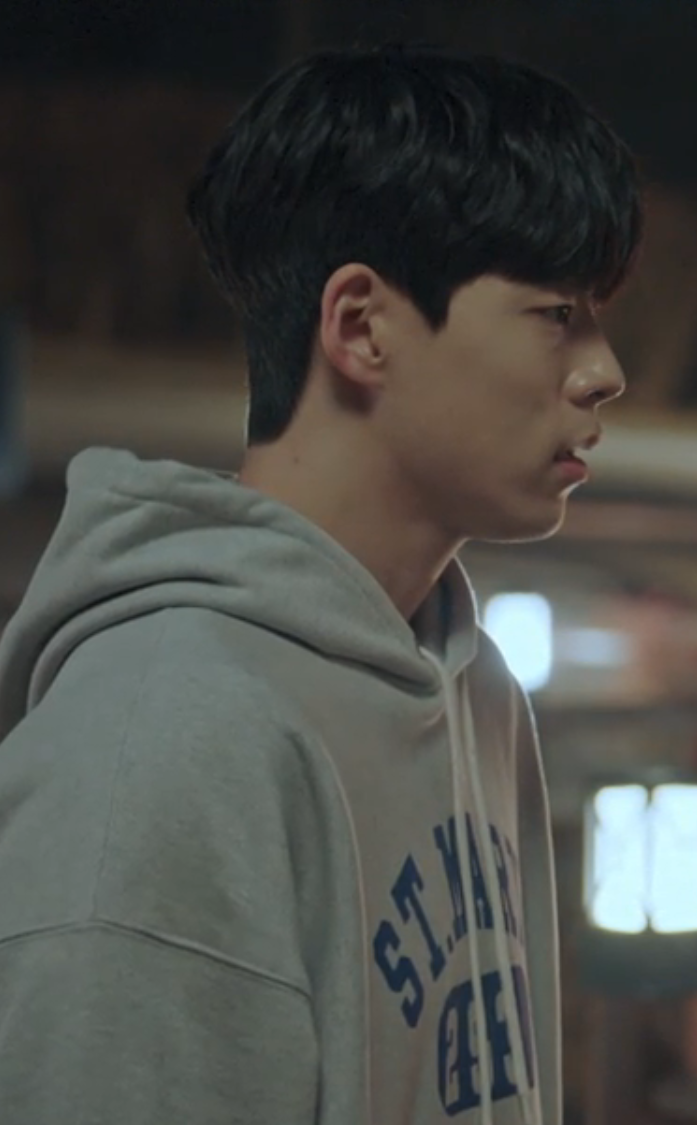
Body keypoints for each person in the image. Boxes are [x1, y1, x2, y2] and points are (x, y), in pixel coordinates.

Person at [0, 46, 639, 1125]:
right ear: (360, 328)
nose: (604, 371)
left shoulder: (473, 686)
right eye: (555, 313)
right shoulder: (163, 737)